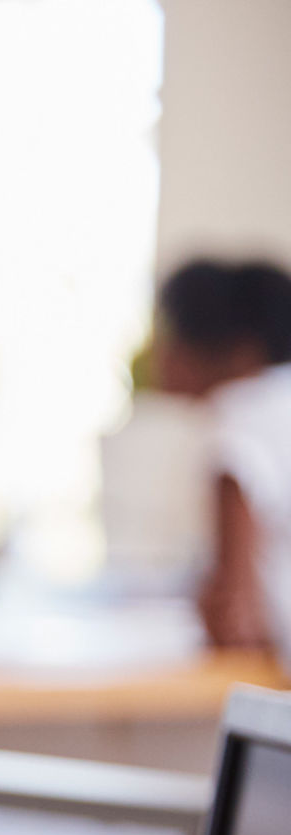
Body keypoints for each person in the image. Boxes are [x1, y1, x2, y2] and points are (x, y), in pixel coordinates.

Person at [151, 257, 291, 653]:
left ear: (238, 350)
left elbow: (239, 621)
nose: (161, 351)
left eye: (176, 332)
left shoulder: (239, 422)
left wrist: (215, 610)